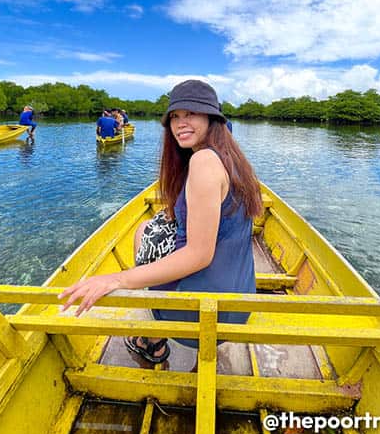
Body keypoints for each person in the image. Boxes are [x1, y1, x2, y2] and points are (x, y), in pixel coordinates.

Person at [60, 80, 262, 366]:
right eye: (175, 117)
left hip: (199, 314)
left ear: (211, 118)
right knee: (148, 228)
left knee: (143, 231)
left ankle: (152, 340)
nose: (181, 123)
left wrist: (116, 278)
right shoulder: (233, 158)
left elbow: (199, 255)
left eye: (191, 113)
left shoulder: (204, 161)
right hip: (238, 303)